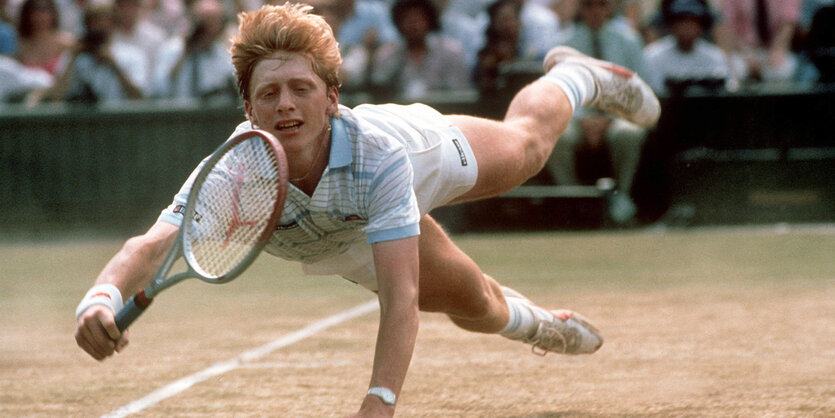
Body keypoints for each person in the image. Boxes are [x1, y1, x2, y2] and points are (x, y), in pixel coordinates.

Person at [74, 4, 660, 417]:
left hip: (413, 156)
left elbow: (397, 298)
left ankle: (576, 76)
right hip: (341, 238)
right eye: (269, 93)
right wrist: (99, 299)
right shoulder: (232, 172)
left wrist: (379, 403)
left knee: (527, 150)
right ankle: (542, 324)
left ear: (332, 98)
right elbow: (149, 247)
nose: (286, 105)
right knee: (469, 303)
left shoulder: (378, 156)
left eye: (301, 88)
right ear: (248, 109)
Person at [545, 0, 649, 224]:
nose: (595, 12)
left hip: (619, 116)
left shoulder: (628, 41)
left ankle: (622, 199)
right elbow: (555, 92)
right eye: (589, 6)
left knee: (628, 134)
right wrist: (583, 119)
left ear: (609, 8)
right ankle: (572, 200)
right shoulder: (562, 44)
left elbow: (643, 88)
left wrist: (609, 118)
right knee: (557, 138)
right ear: (581, 9)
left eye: (601, 5)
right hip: (575, 118)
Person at [26, 2, 148, 105]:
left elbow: (140, 97)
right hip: (83, 127)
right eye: (95, 22)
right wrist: (73, 59)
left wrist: (114, 65)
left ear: (114, 25)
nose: (100, 27)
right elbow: (56, 97)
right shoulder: (75, 56)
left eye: (105, 22)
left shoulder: (132, 55)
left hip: (121, 126)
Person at [370, 0, 472, 100]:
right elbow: (379, 88)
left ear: (429, 20)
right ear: (399, 23)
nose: (413, 25)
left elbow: (459, 93)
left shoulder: (450, 52)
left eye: (417, 19)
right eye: (407, 19)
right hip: (401, 111)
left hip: (443, 111)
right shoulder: (388, 53)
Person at [152, 0, 237, 101]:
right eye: (204, 23)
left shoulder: (220, 54)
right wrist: (184, 54)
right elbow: (160, 89)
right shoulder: (173, 49)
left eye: (214, 23)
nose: (209, 29)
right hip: (177, 112)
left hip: (210, 114)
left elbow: (231, 87)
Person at [643, 0, 731, 94]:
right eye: (681, 21)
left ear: (701, 25)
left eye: (692, 21)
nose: (687, 27)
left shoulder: (716, 57)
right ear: (671, 25)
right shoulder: (653, 56)